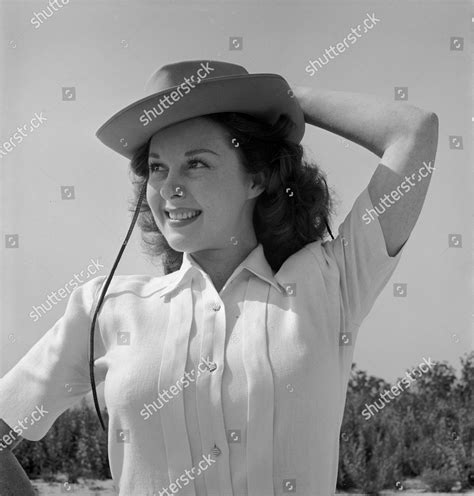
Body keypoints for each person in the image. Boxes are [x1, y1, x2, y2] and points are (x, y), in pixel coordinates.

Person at [0, 59, 438, 496]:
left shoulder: (331, 282)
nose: (170, 186)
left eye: (196, 164)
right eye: (157, 167)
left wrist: (280, 100)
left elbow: (412, 132)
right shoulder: (107, 308)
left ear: (258, 177)